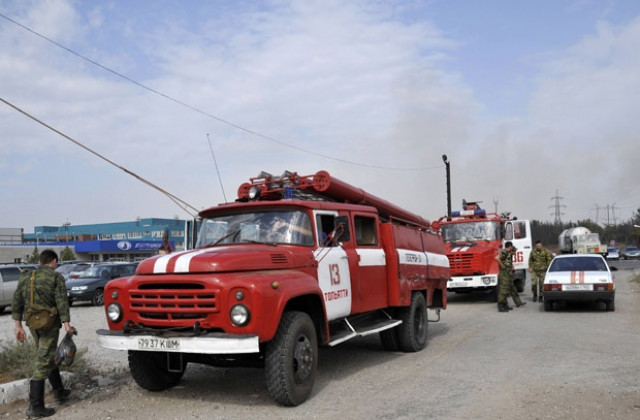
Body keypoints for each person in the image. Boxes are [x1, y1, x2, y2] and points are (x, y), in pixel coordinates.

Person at [12, 249, 74, 418]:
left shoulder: (26, 276)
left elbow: (17, 301)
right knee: (43, 359)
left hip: (33, 324)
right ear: (53, 261)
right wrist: (67, 325)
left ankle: (59, 391)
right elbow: (62, 302)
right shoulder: (56, 277)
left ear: (39, 262)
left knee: (48, 354)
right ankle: (36, 406)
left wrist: (18, 326)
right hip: (49, 325)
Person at [495, 241, 526, 312]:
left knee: (511, 289)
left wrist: (512, 266)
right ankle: (501, 305)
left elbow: (508, 261)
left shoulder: (509, 254)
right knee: (503, 290)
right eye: (512, 249)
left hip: (508, 274)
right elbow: (497, 258)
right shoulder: (504, 252)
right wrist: (502, 265)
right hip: (504, 274)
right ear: (510, 247)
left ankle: (506, 305)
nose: (514, 253)